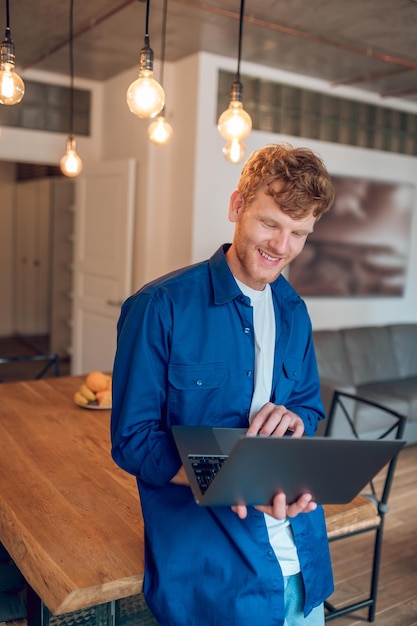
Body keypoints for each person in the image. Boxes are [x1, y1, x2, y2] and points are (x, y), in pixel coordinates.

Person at [111, 143, 335, 626]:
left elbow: (310, 410)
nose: (281, 246)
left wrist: (297, 419)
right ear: (237, 207)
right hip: (215, 579)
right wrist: (227, 477)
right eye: (270, 224)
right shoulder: (159, 307)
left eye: (299, 233)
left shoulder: (294, 312)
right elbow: (132, 442)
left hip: (303, 565)